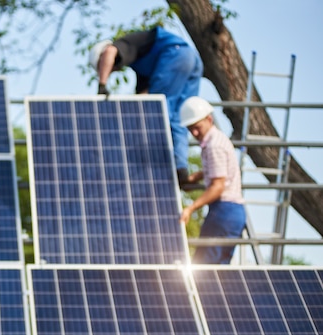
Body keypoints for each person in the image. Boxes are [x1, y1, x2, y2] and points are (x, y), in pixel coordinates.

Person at [89, 26, 203, 186]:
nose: (114, 69)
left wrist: (102, 85)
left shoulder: (123, 44)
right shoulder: (141, 67)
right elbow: (145, 97)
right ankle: (181, 169)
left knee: (160, 114)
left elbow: (110, 51)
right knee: (179, 118)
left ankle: (157, 167)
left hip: (174, 56)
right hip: (192, 59)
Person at [178, 96, 246, 264]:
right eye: (190, 129)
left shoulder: (214, 145)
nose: (194, 133)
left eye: (197, 127)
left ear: (209, 119)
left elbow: (217, 187)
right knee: (218, 272)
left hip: (224, 211)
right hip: (233, 213)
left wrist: (191, 208)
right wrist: (198, 175)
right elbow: (220, 170)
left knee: (204, 269)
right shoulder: (218, 140)